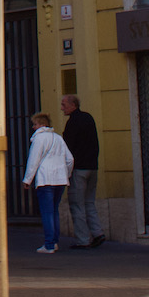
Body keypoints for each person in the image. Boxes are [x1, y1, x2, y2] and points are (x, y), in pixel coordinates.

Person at [23, 111, 73, 253]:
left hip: (45, 180)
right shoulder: (58, 138)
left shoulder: (38, 139)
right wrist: (66, 174)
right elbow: (70, 159)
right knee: (54, 211)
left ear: (42, 125)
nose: (33, 127)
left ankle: (49, 244)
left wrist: (28, 179)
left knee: (47, 212)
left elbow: (34, 160)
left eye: (35, 124)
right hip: (60, 180)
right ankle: (54, 241)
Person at [61, 94, 105, 248]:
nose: (62, 108)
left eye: (64, 105)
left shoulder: (72, 122)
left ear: (73, 105)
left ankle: (83, 239)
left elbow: (68, 147)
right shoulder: (88, 118)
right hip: (92, 167)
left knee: (77, 204)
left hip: (79, 169)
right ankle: (98, 233)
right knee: (89, 202)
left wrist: (67, 170)